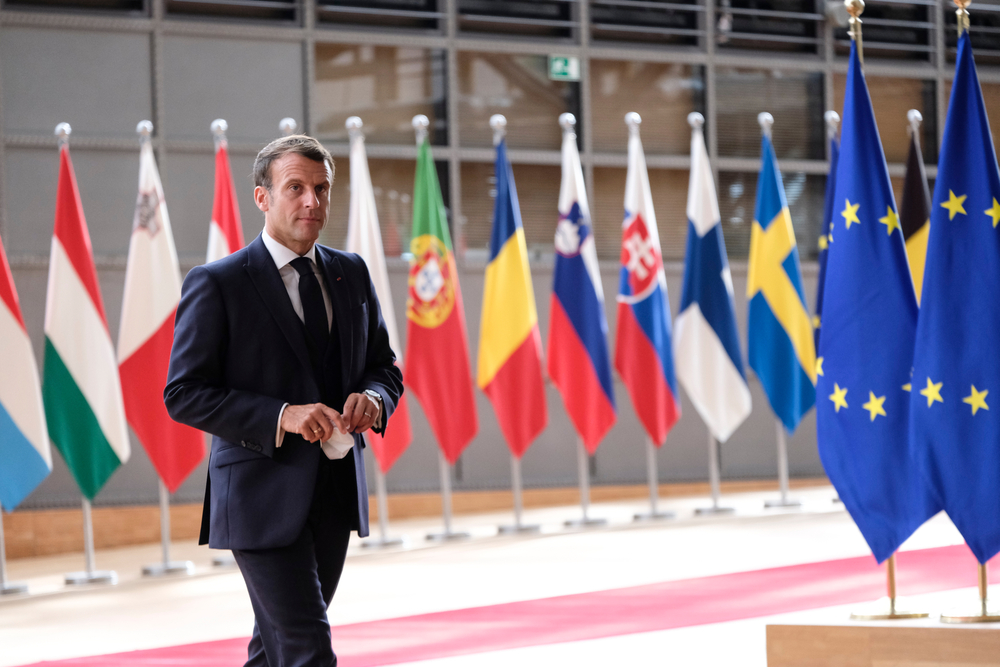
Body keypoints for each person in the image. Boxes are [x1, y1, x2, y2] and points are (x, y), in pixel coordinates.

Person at [164, 134, 403, 666]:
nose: (312, 201)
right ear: (262, 197)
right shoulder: (218, 283)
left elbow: (385, 367)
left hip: (335, 490)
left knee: (275, 652)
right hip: (259, 495)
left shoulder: (352, 273)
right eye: (295, 187)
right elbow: (183, 393)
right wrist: (282, 416)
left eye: (321, 189)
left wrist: (373, 397)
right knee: (307, 651)